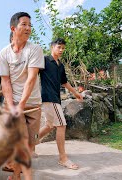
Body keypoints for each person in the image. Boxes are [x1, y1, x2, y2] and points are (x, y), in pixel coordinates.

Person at [0, 12, 44, 180]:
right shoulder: (4, 53)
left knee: (30, 146)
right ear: (13, 28)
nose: (28, 28)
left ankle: (16, 175)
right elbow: (5, 81)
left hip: (32, 104)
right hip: (15, 103)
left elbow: (31, 79)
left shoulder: (35, 49)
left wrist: (22, 104)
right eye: (24, 24)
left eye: (30, 25)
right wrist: (11, 106)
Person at [38, 38, 83, 170]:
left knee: (49, 126)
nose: (61, 50)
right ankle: (63, 158)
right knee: (61, 125)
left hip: (56, 98)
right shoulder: (44, 60)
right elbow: (33, 74)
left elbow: (64, 82)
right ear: (52, 47)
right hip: (49, 97)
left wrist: (75, 93)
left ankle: (29, 144)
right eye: (59, 47)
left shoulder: (60, 66)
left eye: (63, 48)